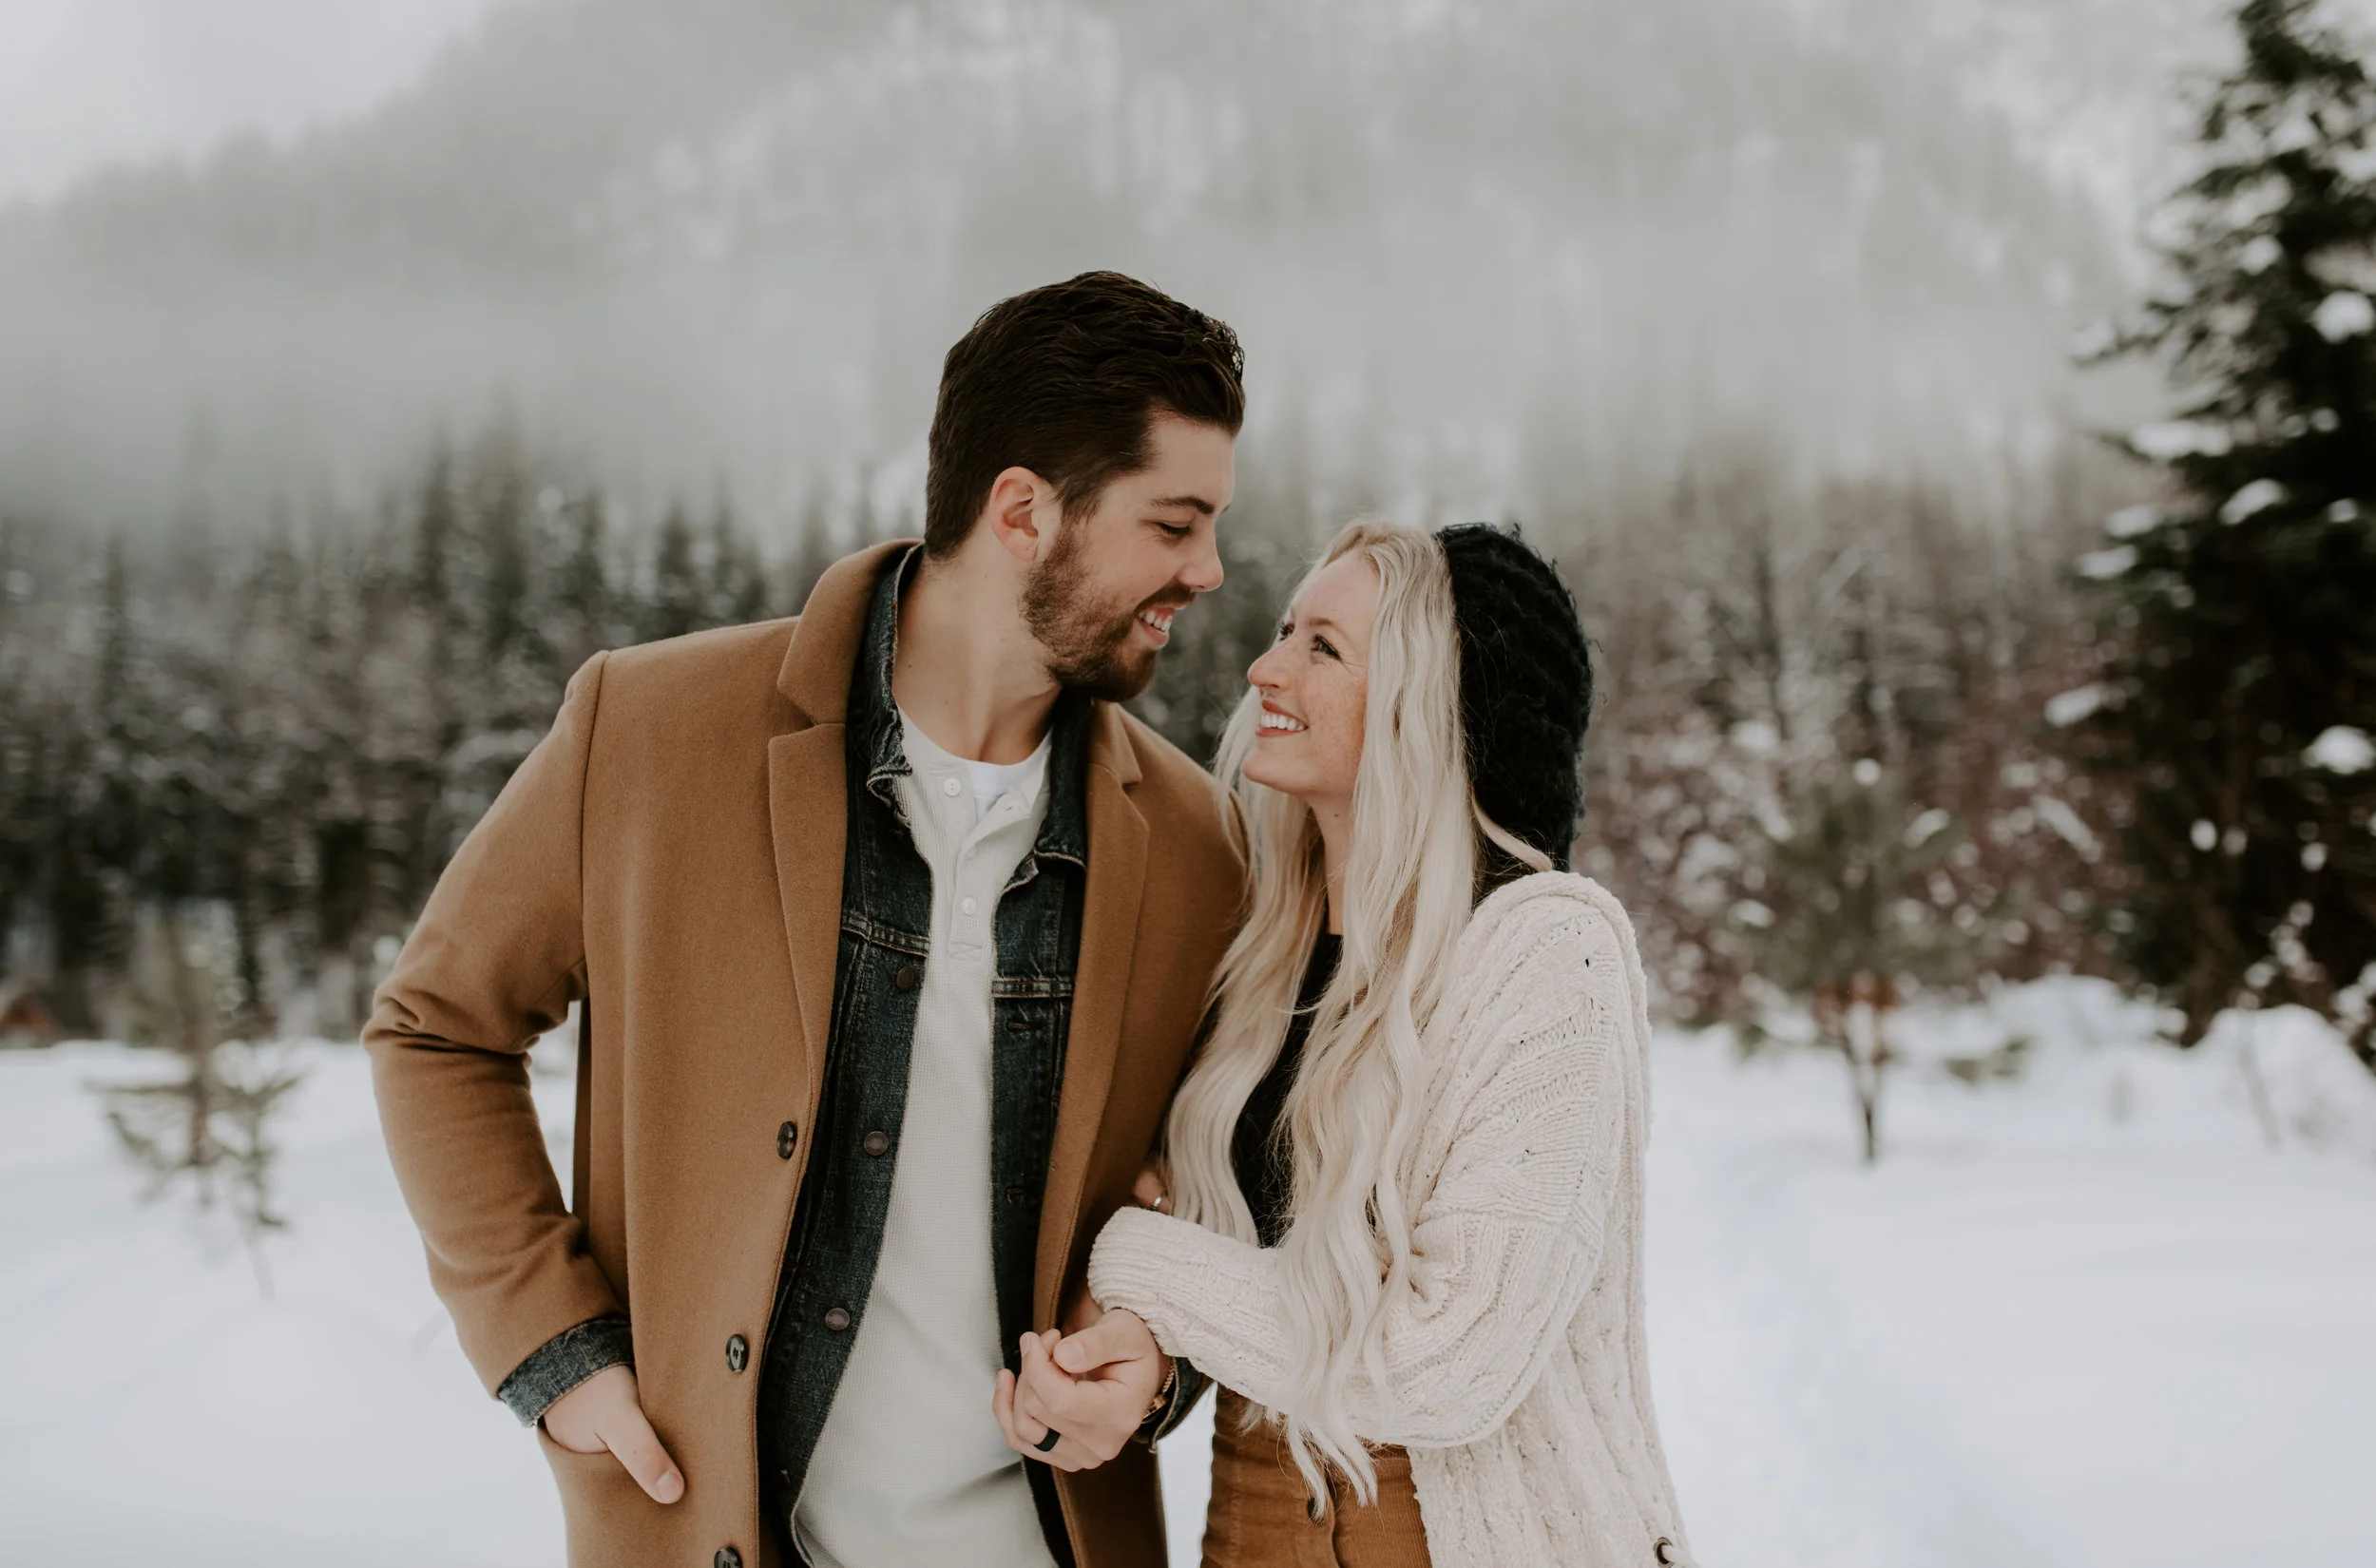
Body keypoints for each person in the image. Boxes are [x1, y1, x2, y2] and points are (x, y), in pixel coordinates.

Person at [366, 271, 1250, 1568]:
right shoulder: (648, 730)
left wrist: (1154, 1364)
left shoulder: (1200, 851)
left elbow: (1228, 1187)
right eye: (1174, 523)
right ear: (1021, 511)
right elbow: (437, 1026)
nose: (1209, 570)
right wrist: (554, 1348)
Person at [997, 521, 1694, 1568]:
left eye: (1322, 646)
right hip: (1253, 1530)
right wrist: (1133, 1350)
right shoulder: (1259, 954)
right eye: (1285, 632)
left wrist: (1136, 1261)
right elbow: (1223, 1250)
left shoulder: (1547, 950)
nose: (1262, 666)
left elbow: (1446, 1362)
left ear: (1434, 700)